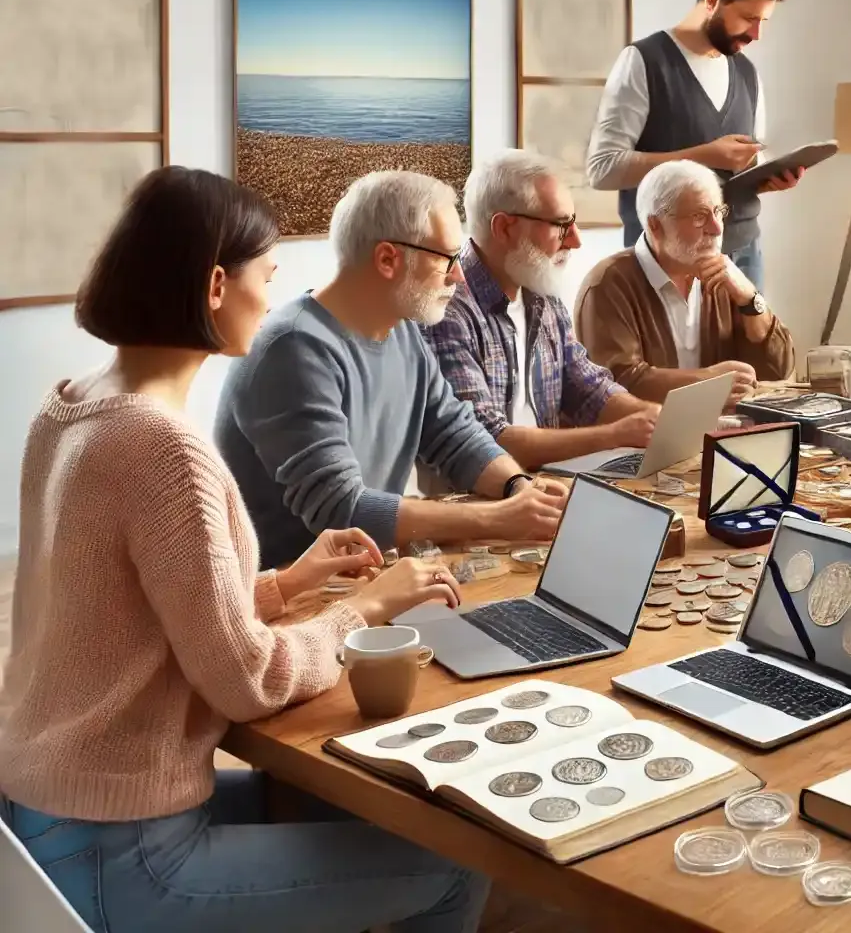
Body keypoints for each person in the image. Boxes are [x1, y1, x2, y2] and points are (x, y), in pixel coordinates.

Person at [0, 166, 488, 932]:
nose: (277, 292)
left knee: (323, 801)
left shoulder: (69, 408)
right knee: (455, 863)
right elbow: (247, 682)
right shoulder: (164, 448)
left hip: (42, 816)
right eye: (268, 273)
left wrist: (286, 585)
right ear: (217, 286)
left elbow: (122, 611)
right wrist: (361, 611)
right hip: (124, 851)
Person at [217, 170, 567, 568]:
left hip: (362, 579)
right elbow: (341, 509)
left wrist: (517, 488)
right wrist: (499, 519)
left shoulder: (402, 329)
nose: (458, 274)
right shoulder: (293, 348)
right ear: (387, 259)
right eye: (447, 258)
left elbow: (453, 432)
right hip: (290, 599)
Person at [426, 150, 662, 473]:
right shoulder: (445, 310)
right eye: (562, 225)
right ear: (505, 228)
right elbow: (486, 441)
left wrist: (655, 420)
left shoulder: (541, 292)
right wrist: (614, 436)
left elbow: (589, 387)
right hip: (482, 504)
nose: (576, 240)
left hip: (546, 488)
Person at [585, 0, 799, 291]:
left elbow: (738, 166)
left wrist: (766, 176)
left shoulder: (747, 73)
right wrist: (705, 154)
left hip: (743, 257)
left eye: (763, 22)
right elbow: (603, 168)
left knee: (752, 347)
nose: (756, 34)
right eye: (748, 18)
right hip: (663, 262)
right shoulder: (644, 62)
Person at [575, 160, 794, 406]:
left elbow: (778, 370)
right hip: (643, 440)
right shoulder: (608, 284)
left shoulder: (725, 276)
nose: (716, 228)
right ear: (655, 225)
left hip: (723, 435)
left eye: (719, 212)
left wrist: (749, 299)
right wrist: (709, 382)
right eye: (699, 216)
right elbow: (617, 384)